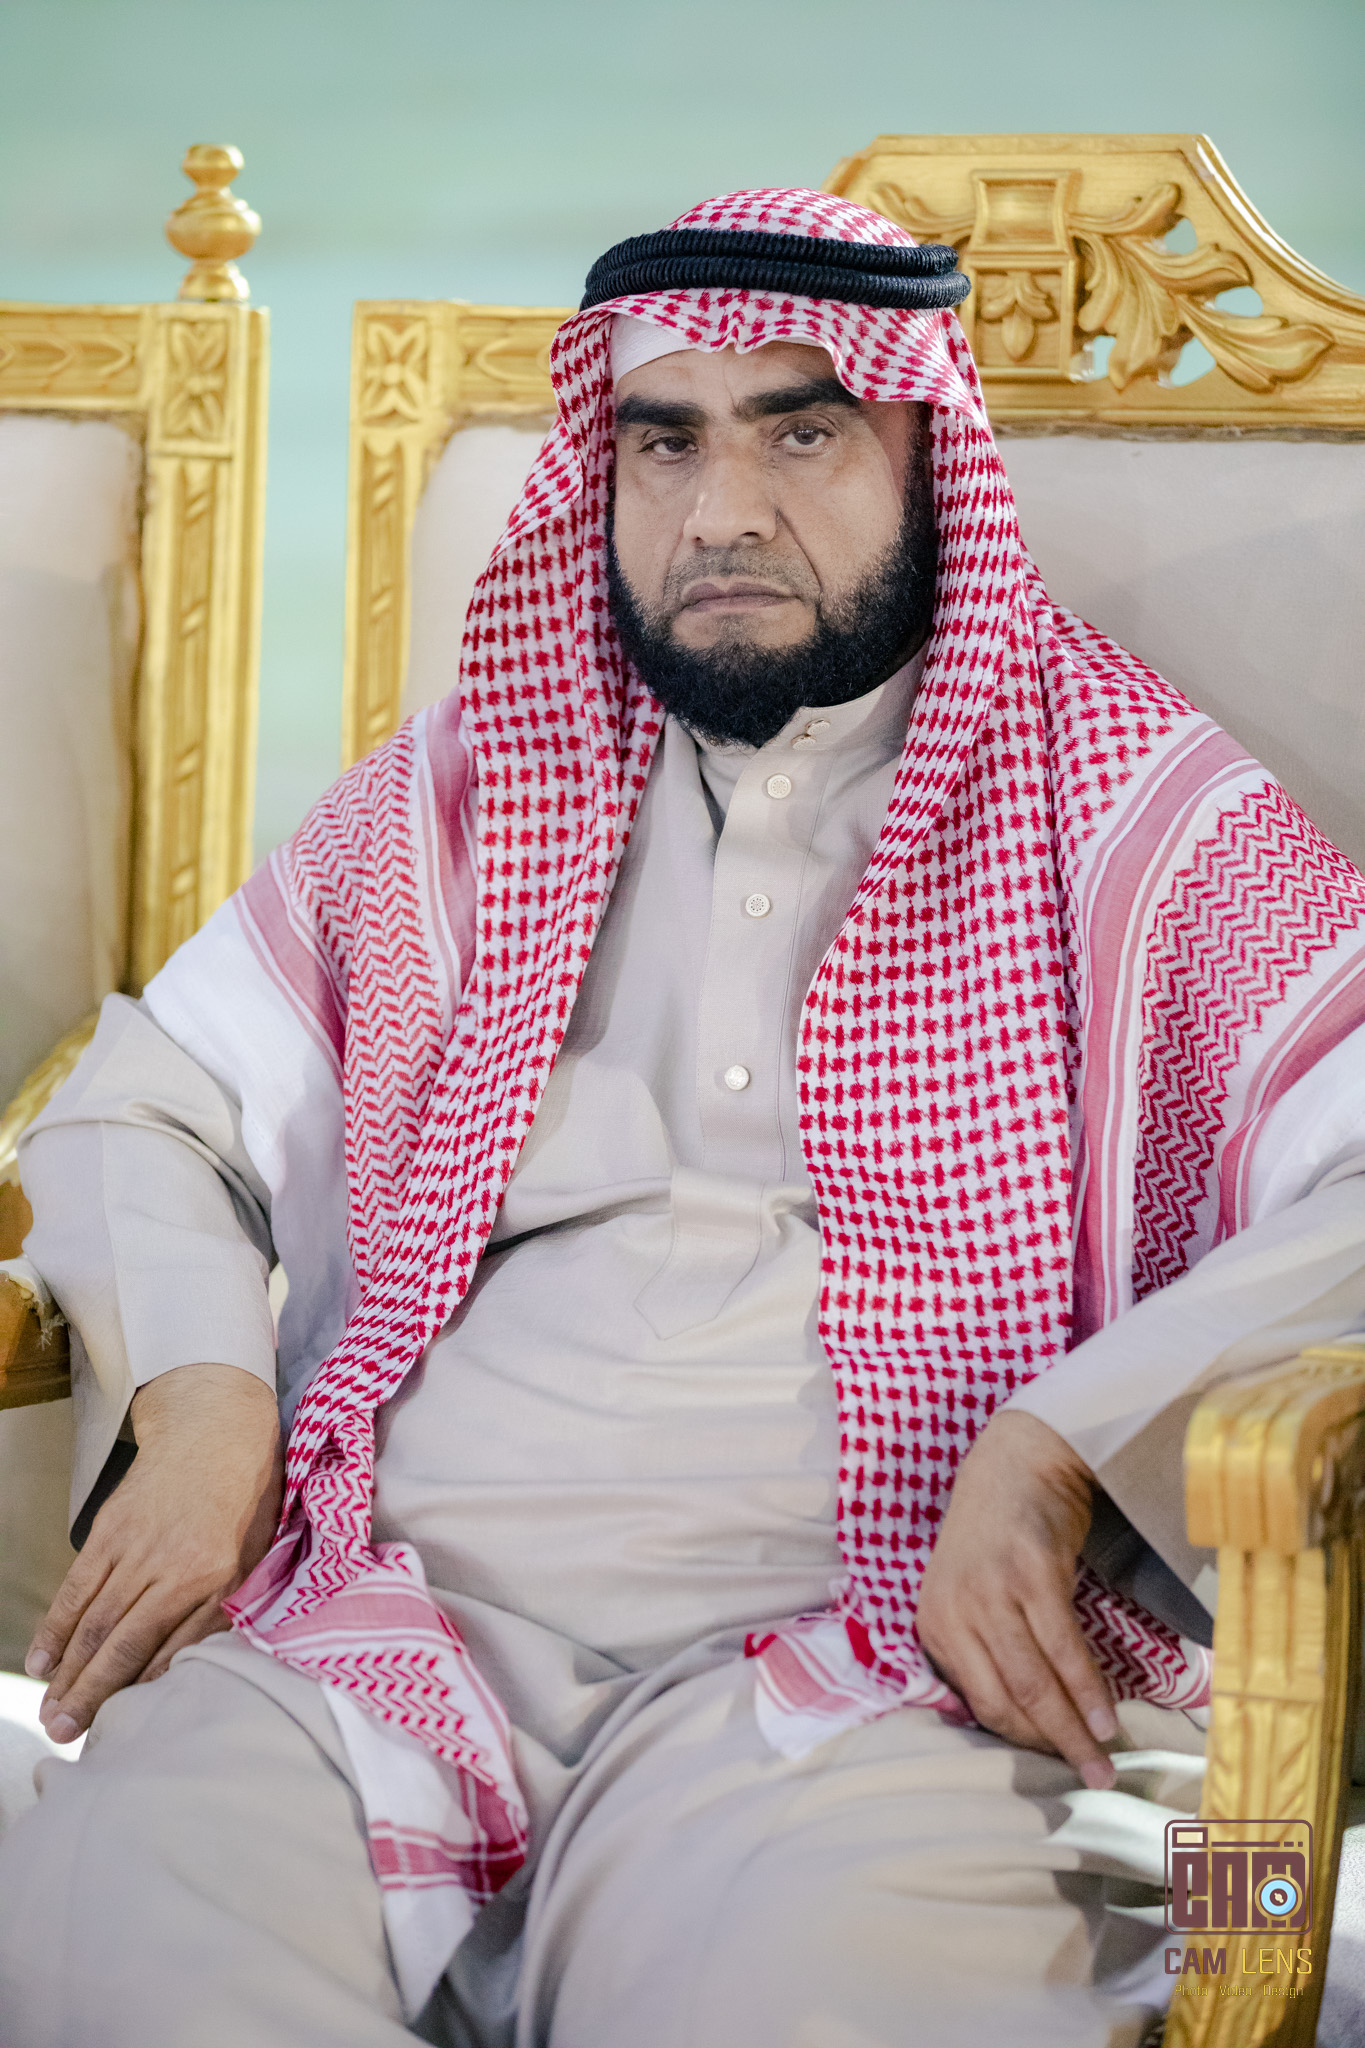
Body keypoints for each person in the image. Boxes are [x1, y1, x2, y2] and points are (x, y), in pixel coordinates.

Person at [2, 186, 1365, 2048]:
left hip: (877, 1668)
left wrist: (1057, 1452)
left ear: (926, 453)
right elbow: (147, 1101)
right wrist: (201, 1406)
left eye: (799, 432)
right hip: (380, 1628)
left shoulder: (1135, 813)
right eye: (664, 442)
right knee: (101, 1933)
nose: (720, 510)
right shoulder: (479, 788)